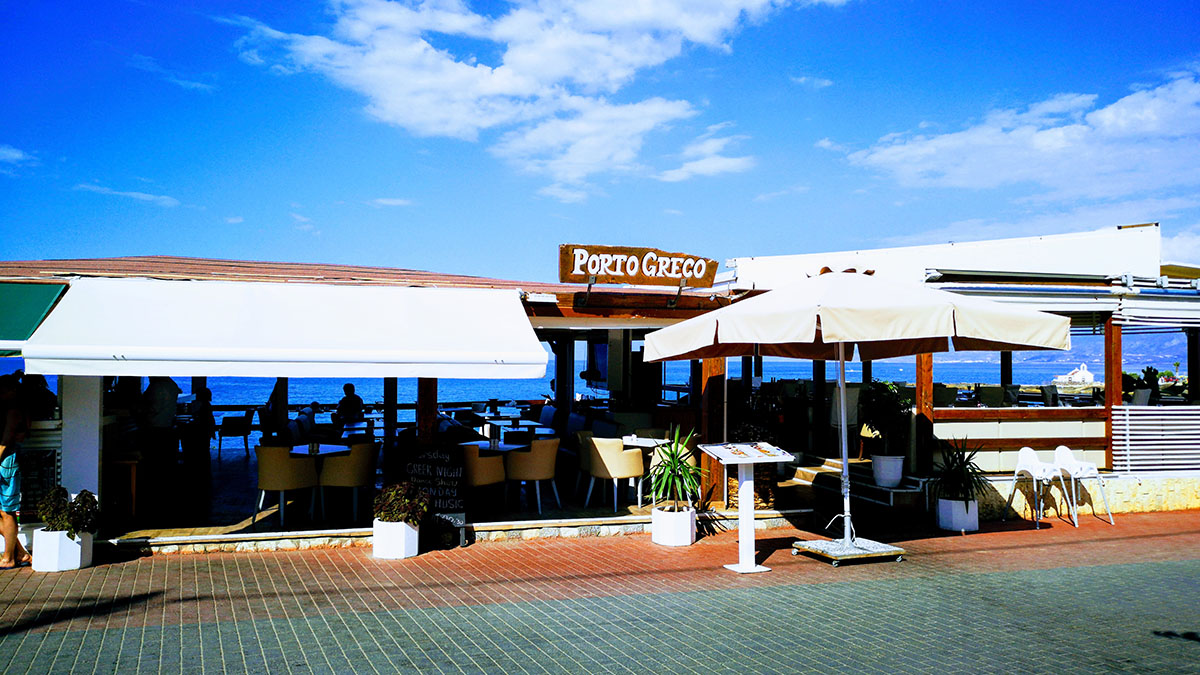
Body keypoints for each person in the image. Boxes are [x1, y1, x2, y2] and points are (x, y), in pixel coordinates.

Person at [0, 375, 32, 569]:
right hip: (7, 459)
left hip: (6, 461)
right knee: (4, 511)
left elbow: (6, 439)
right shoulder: (12, 409)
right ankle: (19, 553)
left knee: (7, 511)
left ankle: (8, 557)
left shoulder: (14, 411)